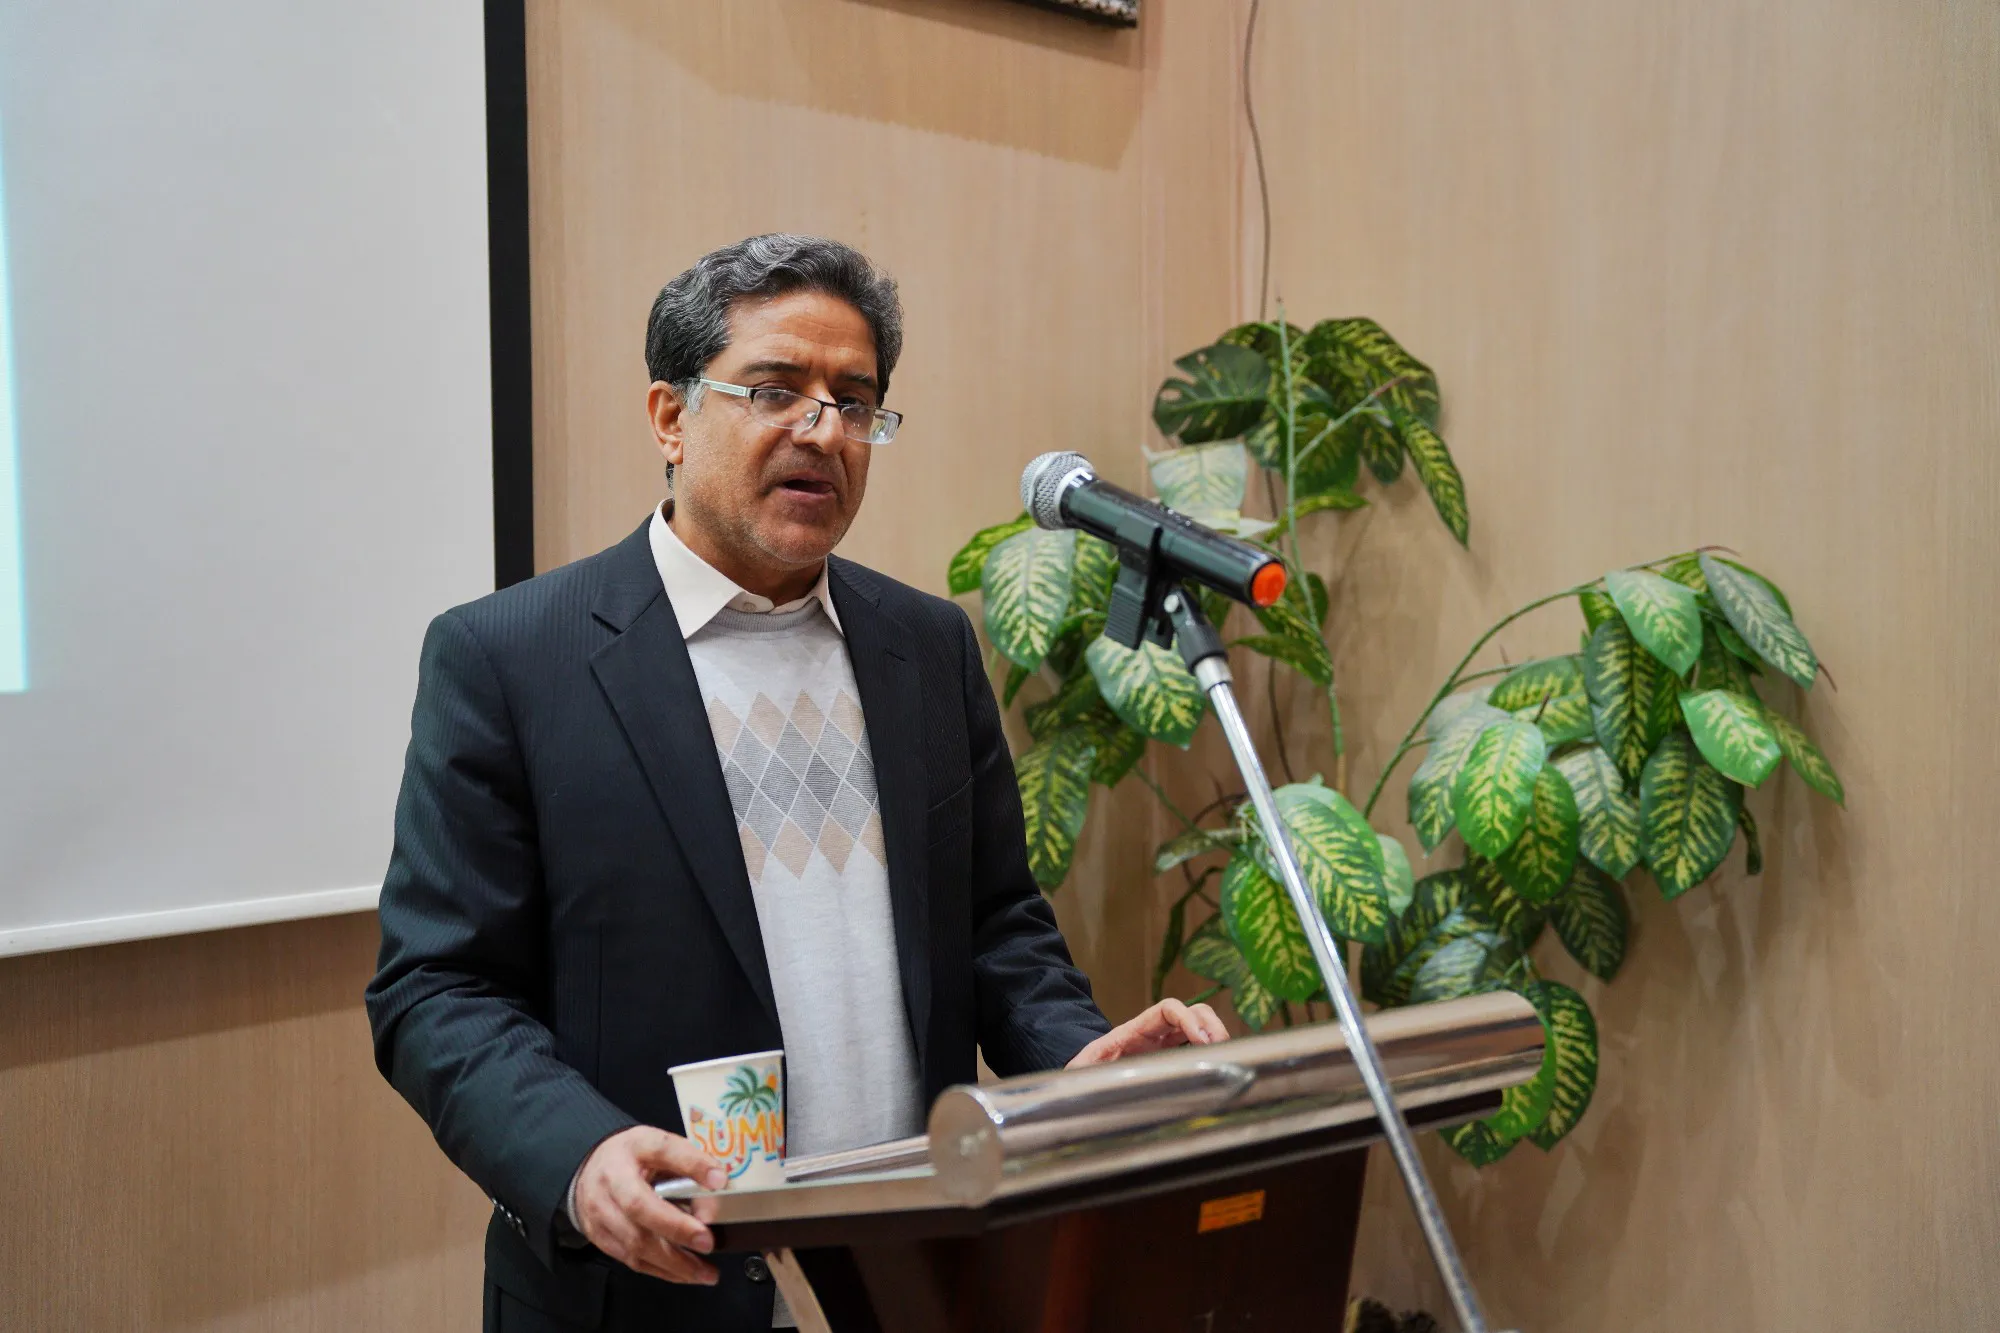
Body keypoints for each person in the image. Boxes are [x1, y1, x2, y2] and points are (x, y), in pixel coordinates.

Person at [365, 234, 1229, 1332]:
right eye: (775, 390)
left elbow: (996, 926)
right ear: (670, 418)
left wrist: (1077, 1056)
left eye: (854, 402)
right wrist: (577, 1155)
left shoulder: (926, 646)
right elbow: (437, 987)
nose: (822, 430)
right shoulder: (511, 659)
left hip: (908, 1272)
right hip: (648, 1292)